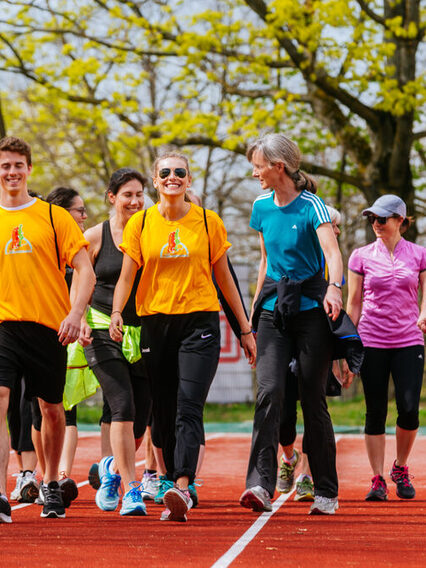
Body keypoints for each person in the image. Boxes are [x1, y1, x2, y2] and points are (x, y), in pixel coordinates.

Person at [110, 151, 256, 522]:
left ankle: (182, 481)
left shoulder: (208, 222)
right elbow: (127, 276)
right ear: (156, 181)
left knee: (189, 404)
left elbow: (225, 280)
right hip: (155, 324)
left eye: (180, 172)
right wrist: (115, 312)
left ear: (189, 181)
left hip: (199, 323)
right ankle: (173, 477)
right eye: (165, 172)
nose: (172, 177)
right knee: (163, 410)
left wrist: (245, 329)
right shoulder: (140, 224)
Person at [240, 133, 344, 516]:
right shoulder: (261, 207)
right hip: (272, 311)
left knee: (313, 399)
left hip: (312, 312)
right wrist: (250, 315)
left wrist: (335, 288)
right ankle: (259, 484)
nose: (255, 173)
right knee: (269, 392)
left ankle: (326, 490)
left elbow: (333, 253)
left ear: (278, 166)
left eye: (258, 165)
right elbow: (266, 261)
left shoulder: (313, 206)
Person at [0, 136, 95, 523]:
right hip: (4, 324)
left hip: (49, 326)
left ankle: (52, 482)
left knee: (51, 409)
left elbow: (85, 269)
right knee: (1, 398)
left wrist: (75, 313)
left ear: (29, 169)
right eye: (5, 166)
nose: (11, 172)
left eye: (18, 165)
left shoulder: (54, 217)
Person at [80, 167, 152, 517]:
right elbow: (78, 281)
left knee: (141, 416)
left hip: (143, 332)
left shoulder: (152, 233)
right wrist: (78, 318)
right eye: (128, 195)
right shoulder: (95, 236)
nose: (135, 201)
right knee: (121, 403)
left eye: (140, 194)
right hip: (100, 329)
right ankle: (131, 489)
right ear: (112, 197)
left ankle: (109, 467)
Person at [345, 194, 426, 501]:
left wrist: (423, 312)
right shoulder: (360, 256)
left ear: (400, 221)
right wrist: (347, 346)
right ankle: (377, 478)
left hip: (408, 339)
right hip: (371, 340)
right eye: (372, 219)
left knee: (408, 410)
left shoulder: (419, 254)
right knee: (375, 410)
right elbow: (354, 303)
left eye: (382, 219)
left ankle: (401, 468)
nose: (376, 224)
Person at [277, 205, 343, 502]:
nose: (335, 231)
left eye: (337, 227)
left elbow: (341, 316)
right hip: (287, 338)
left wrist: (341, 357)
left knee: (313, 406)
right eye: (331, 225)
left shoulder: (334, 265)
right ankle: (289, 458)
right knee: (284, 415)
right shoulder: (293, 259)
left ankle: (306, 474)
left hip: (318, 345)